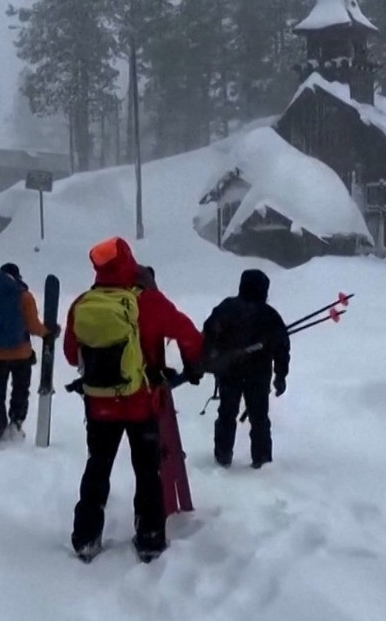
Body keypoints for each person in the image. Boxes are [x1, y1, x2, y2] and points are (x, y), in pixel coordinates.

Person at [65, 238, 203, 563]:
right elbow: (188, 334)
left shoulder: (83, 303)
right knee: (147, 470)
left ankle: (86, 536)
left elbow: (72, 355)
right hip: (142, 403)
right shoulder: (150, 302)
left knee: (97, 466)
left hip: (99, 405)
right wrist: (192, 362)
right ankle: (150, 538)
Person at [203, 269, 289, 469]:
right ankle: (262, 460)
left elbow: (208, 334)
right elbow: (282, 347)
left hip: (229, 373)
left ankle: (223, 456)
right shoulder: (269, 315)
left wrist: (212, 360)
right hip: (258, 376)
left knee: (226, 414)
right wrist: (280, 376)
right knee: (259, 418)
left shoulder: (226, 308)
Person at [0, 263, 54, 440]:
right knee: (20, 389)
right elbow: (34, 326)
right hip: (21, 354)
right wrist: (48, 332)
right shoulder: (24, 296)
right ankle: (16, 423)